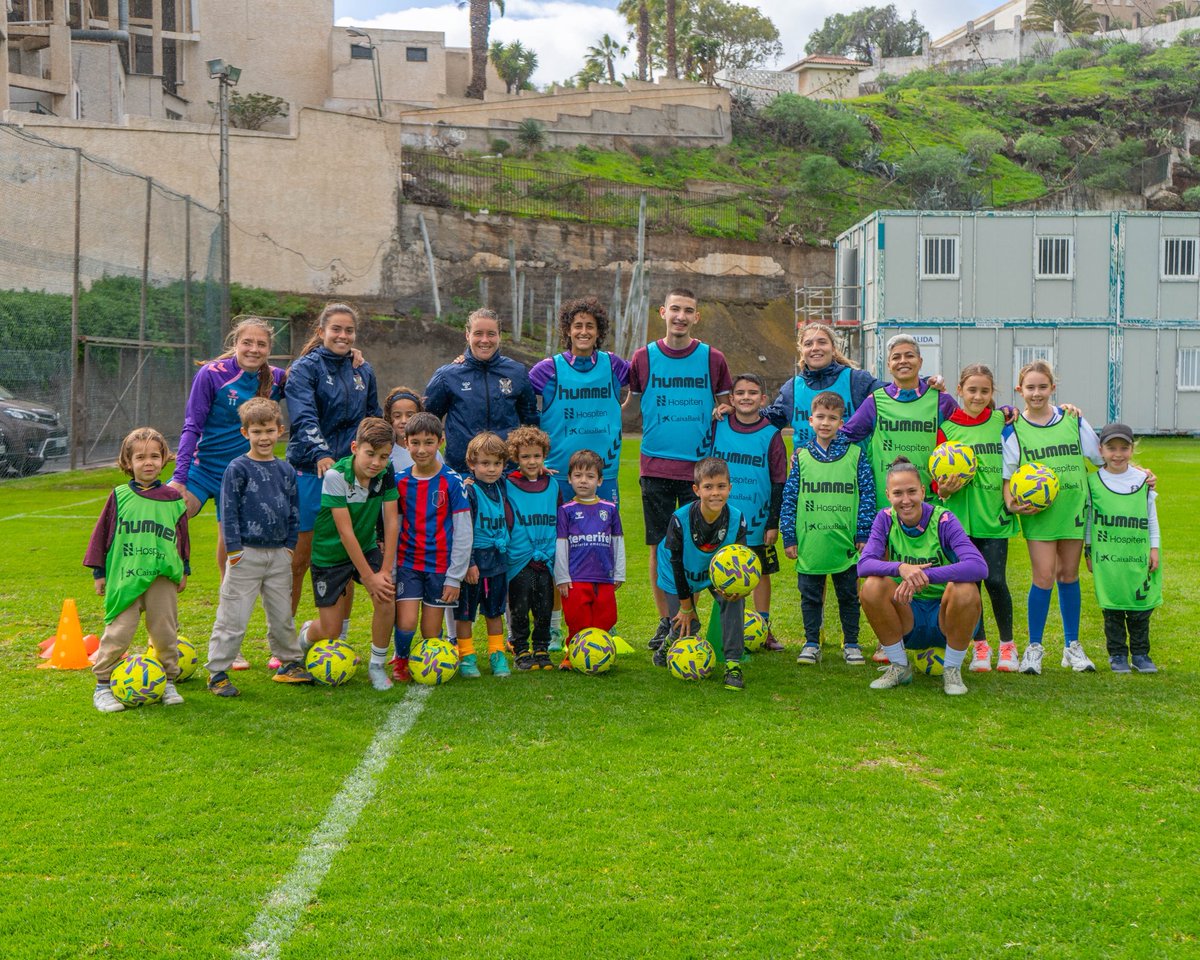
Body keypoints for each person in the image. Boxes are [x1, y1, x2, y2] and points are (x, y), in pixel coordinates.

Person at [628, 289, 733, 651]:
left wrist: (727, 410)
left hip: (699, 473)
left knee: (698, 547)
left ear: (696, 317)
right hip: (655, 465)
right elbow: (627, 404)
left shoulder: (712, 359)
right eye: (675, 309)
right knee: (659, 545)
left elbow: (728, 406)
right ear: (663, 312)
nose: (681, 316)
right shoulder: (643, 357)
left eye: (688, 311)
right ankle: (666, 620)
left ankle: (685, 616)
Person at [1003, 360, 1104, 676]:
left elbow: (1099, 457)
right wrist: (1011, 503)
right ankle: (1034, 648)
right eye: (1030, 387)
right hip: (1039, 514)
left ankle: (1072, 647)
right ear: (1020, 391)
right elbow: (1008, 477)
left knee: (1069, 575)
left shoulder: (1073, 420)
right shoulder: (1014, 429)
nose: (1036, 393)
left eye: (1042, 387)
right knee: (1043, 576)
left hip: (1073, 508)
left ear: (1053, 388)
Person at [205, 398, 312, 697]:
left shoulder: (286, 470)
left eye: (269, 430)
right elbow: (228, 511)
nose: (263, 438)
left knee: (282, 615)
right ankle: (217, 673)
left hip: (279, 555)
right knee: (233, 616)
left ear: (280, 431)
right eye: (256, 432)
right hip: (246, 555)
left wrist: (290, 546)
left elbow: (294, 510)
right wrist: (235, 551)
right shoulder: (237, 468)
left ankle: (289, 664)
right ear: (245, 433)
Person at [858, 456, 988, 696]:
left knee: (966, 588)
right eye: (898, 493)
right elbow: (863, 565)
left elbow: (979, 567)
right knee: (871, 586)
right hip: (907, 614)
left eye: (911, 491)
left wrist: (925, 575)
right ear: (888, 495)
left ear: (923, 490)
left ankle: (952, 670)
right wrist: (901, 569)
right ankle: (899, 666)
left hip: (946, 617)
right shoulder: (885, 518)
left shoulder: (944, 519)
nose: (905, 500)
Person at [286, 303, 382, 620]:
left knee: (344, 558)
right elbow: (303, 418)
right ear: (321, 332)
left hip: (350, 476)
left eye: (349, 330)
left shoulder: (363, 370)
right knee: (298, 561)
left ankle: (336, 640)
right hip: (309, 473)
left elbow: (372, 421)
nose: (343, 335)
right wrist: (322, 454)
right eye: (336, 329)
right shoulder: (304, 369)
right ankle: (283, 644)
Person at [170, 316, 286, 579]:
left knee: (230, 538)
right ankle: (168, 576)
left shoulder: (277, 379)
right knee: (166, 515)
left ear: (269, 349)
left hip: (239, 475)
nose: (254, 349)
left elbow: (311, 381)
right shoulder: (211, 374)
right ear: (236, 343)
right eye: (247, 342)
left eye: (261, 344)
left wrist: (352, 356)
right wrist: (179, 478)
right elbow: (192, 426)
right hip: (202, 470)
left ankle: (228, 601)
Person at [84, 428, 190, 713]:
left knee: (165, 632)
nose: (148, 462)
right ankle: (103, 685)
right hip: (126, 575)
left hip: (162, 576)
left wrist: (185, 569)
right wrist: (99, 572)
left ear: (164, 459)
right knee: (119, 632)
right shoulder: (119, 496)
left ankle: (167, 679)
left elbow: (182, 537)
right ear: (128, 462)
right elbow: (102, 534)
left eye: (155, 456)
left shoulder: (173, 498)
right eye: (140, 457)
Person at [300, 417, 398, 692]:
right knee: (329, 631)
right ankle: (306, 635)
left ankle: (376, 666)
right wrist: (368, 577)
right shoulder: (335, 476)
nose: (376, 463)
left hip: (366, 547)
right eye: (370, 454)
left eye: (383, 456)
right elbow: (345, 533)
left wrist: (385, 572)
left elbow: (391, 522)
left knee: (386, 595)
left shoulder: (385, 473)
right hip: (330, 554)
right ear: (355, 447)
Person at [935, 364, 1019, 674]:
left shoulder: (1002, 421)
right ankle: (980, 646)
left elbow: (1017, 460)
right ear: (959, 391)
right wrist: (941, 487)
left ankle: (1008, 647)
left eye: (985, 391)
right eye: (972, 390)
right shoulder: (948, 427)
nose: (978, 396)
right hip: (959, 523)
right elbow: (936, 476)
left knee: (996, 581)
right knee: (969, 586)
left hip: (993, 518)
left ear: (992, 394)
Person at [781, 391, 875, 666]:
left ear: (841, 421)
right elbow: (790, 497)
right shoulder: (801, 457)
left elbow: (867, 494)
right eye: (820, 417)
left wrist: (863, 533)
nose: (825, 423)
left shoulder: (856, 456)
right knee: (810, 595)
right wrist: (789, 535)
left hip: (845, 540)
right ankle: (811, 642)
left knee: (848, 595)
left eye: (832, 418)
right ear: (810, 420)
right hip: (811, 540)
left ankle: (852, 643)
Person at [652, 457, 749, 691]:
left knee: (734, 599)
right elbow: (676, 564)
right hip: (679, 572)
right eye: (708, 487)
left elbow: (741, 563)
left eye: (721, 486)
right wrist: (686, 606)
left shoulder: (737, 519)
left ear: (730, 488)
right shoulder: (679, 519)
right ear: (696, 490)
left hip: (712, 572)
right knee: (688, 626)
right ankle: (668, 644)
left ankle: (733, 664)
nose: (715, 493)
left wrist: (740, 587)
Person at [392, 412, 472, 683]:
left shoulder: (452, 481)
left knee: (430, 631)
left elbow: (463, 531)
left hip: (440, 566)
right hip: (408, 563)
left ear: (441, 441)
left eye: (429, 442)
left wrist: (455, 577)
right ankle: (401, 660)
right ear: (406, 442)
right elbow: (393, 526)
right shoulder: (400, 481)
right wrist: (391, 567)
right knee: (406, 621)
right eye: (415, 443)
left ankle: (430, 661)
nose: (422, 449)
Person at [710, 372, 787, 650]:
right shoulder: (718, 426)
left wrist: (772, 521)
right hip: (720, 516)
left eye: (752, 393)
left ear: (763, 399)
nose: (745, 398)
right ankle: (708, 626)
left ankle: (762, 627)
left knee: (759, 572)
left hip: (756, 518)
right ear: (731, 398)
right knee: (714, 569)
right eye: (740, 393)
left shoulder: (771, 435)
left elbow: (779, 480)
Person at [529, 296, 629, 505]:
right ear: (568, 330)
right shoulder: (547, 370)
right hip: (558, 471)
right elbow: (515, 398)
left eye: (590, 326)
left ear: (599, 331)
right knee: (559, 536)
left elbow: (647, 373)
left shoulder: (613, 365)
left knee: (602, 536)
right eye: (578, 326)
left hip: (603, 473)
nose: (584, 332)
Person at [841, 334, 958, 505]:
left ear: (920, 361)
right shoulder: (876, 401)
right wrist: (809, 451)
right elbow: (845, 436)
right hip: (886, 504)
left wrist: (1003, 414)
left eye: (909, 355)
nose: (903, 361)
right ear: (889, 365)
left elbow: (968, 426)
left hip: (931, 503)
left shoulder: (940, 400)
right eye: (896, 357)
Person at [423, 308, 539, 474]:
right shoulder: (447, 375)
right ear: (467, 335)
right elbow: (427, 420)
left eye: (491, 334)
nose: (485, 340)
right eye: (478, 333)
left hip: (507, 471)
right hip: (462, 472)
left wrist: (534, 459)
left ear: (499, 335)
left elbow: (531, 421)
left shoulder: (517, 372)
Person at [1085, 423, 1162, 674]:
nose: (1117, 454)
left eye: (1124, 448)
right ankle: (1117, 655)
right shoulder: (1093, 482)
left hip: (1137, 555)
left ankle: (1141, 654)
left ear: (1132, 449)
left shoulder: (1142, 480)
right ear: (1101, 450)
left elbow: (1150, 516)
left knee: (1140, 609)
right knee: (1113, 607)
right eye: (1111, 448)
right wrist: (1088, 549)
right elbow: (1088, 520)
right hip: (1108, 557)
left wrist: (1154, 548)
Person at [554, 449, 626, 669]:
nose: (583, 481)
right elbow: (561, 544)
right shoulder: (566, 511)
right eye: (578, 475)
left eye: (590, 476)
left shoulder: (610, 509)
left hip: (604, 576)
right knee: (577, 619)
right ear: (569, 478)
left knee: (606, 617)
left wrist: (619, 572)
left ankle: (600, 654)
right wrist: (562, 576)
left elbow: (618, 541)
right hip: (576, 577)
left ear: (600, 480)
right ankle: (572, 654)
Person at [766, 321, 882, 449]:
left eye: (822, 342)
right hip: (808, 469)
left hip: (852, 468)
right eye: (808, 344)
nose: (815, 347)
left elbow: (893, 397)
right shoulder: (791, 389)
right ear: (802, 351)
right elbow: (763, 424)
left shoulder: (857, 380)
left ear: (833, 349)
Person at [453, 432, 512, 679]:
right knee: (466, 613)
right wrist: (469, 563)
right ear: (471, 464)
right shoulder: (470, 491)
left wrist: (542, 470)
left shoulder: (501, 485)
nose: (491, 469)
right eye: (485, 463)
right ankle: (466, 655)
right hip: (475, 561)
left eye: (497, 463)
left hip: (497, 561)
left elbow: (525, 477)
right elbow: (463, 530)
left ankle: (497, 653)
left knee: (494, 611)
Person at [504, 426, 561, 671]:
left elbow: (558, 517)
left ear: (544, 455)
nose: (531, 461)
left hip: (546, 557)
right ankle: (521, 649)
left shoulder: (553, 485)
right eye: (525, 456)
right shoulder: (507, 484)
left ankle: (541, 648)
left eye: (537, 456)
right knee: (520, 605)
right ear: (516, 457)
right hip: (519, 557)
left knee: (544, 604)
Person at [383, 385, 441, 475]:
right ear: (389, 418)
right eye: (397, 416)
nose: (404, 421)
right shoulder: (385, 452)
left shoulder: (432, 452)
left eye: (410, 415)